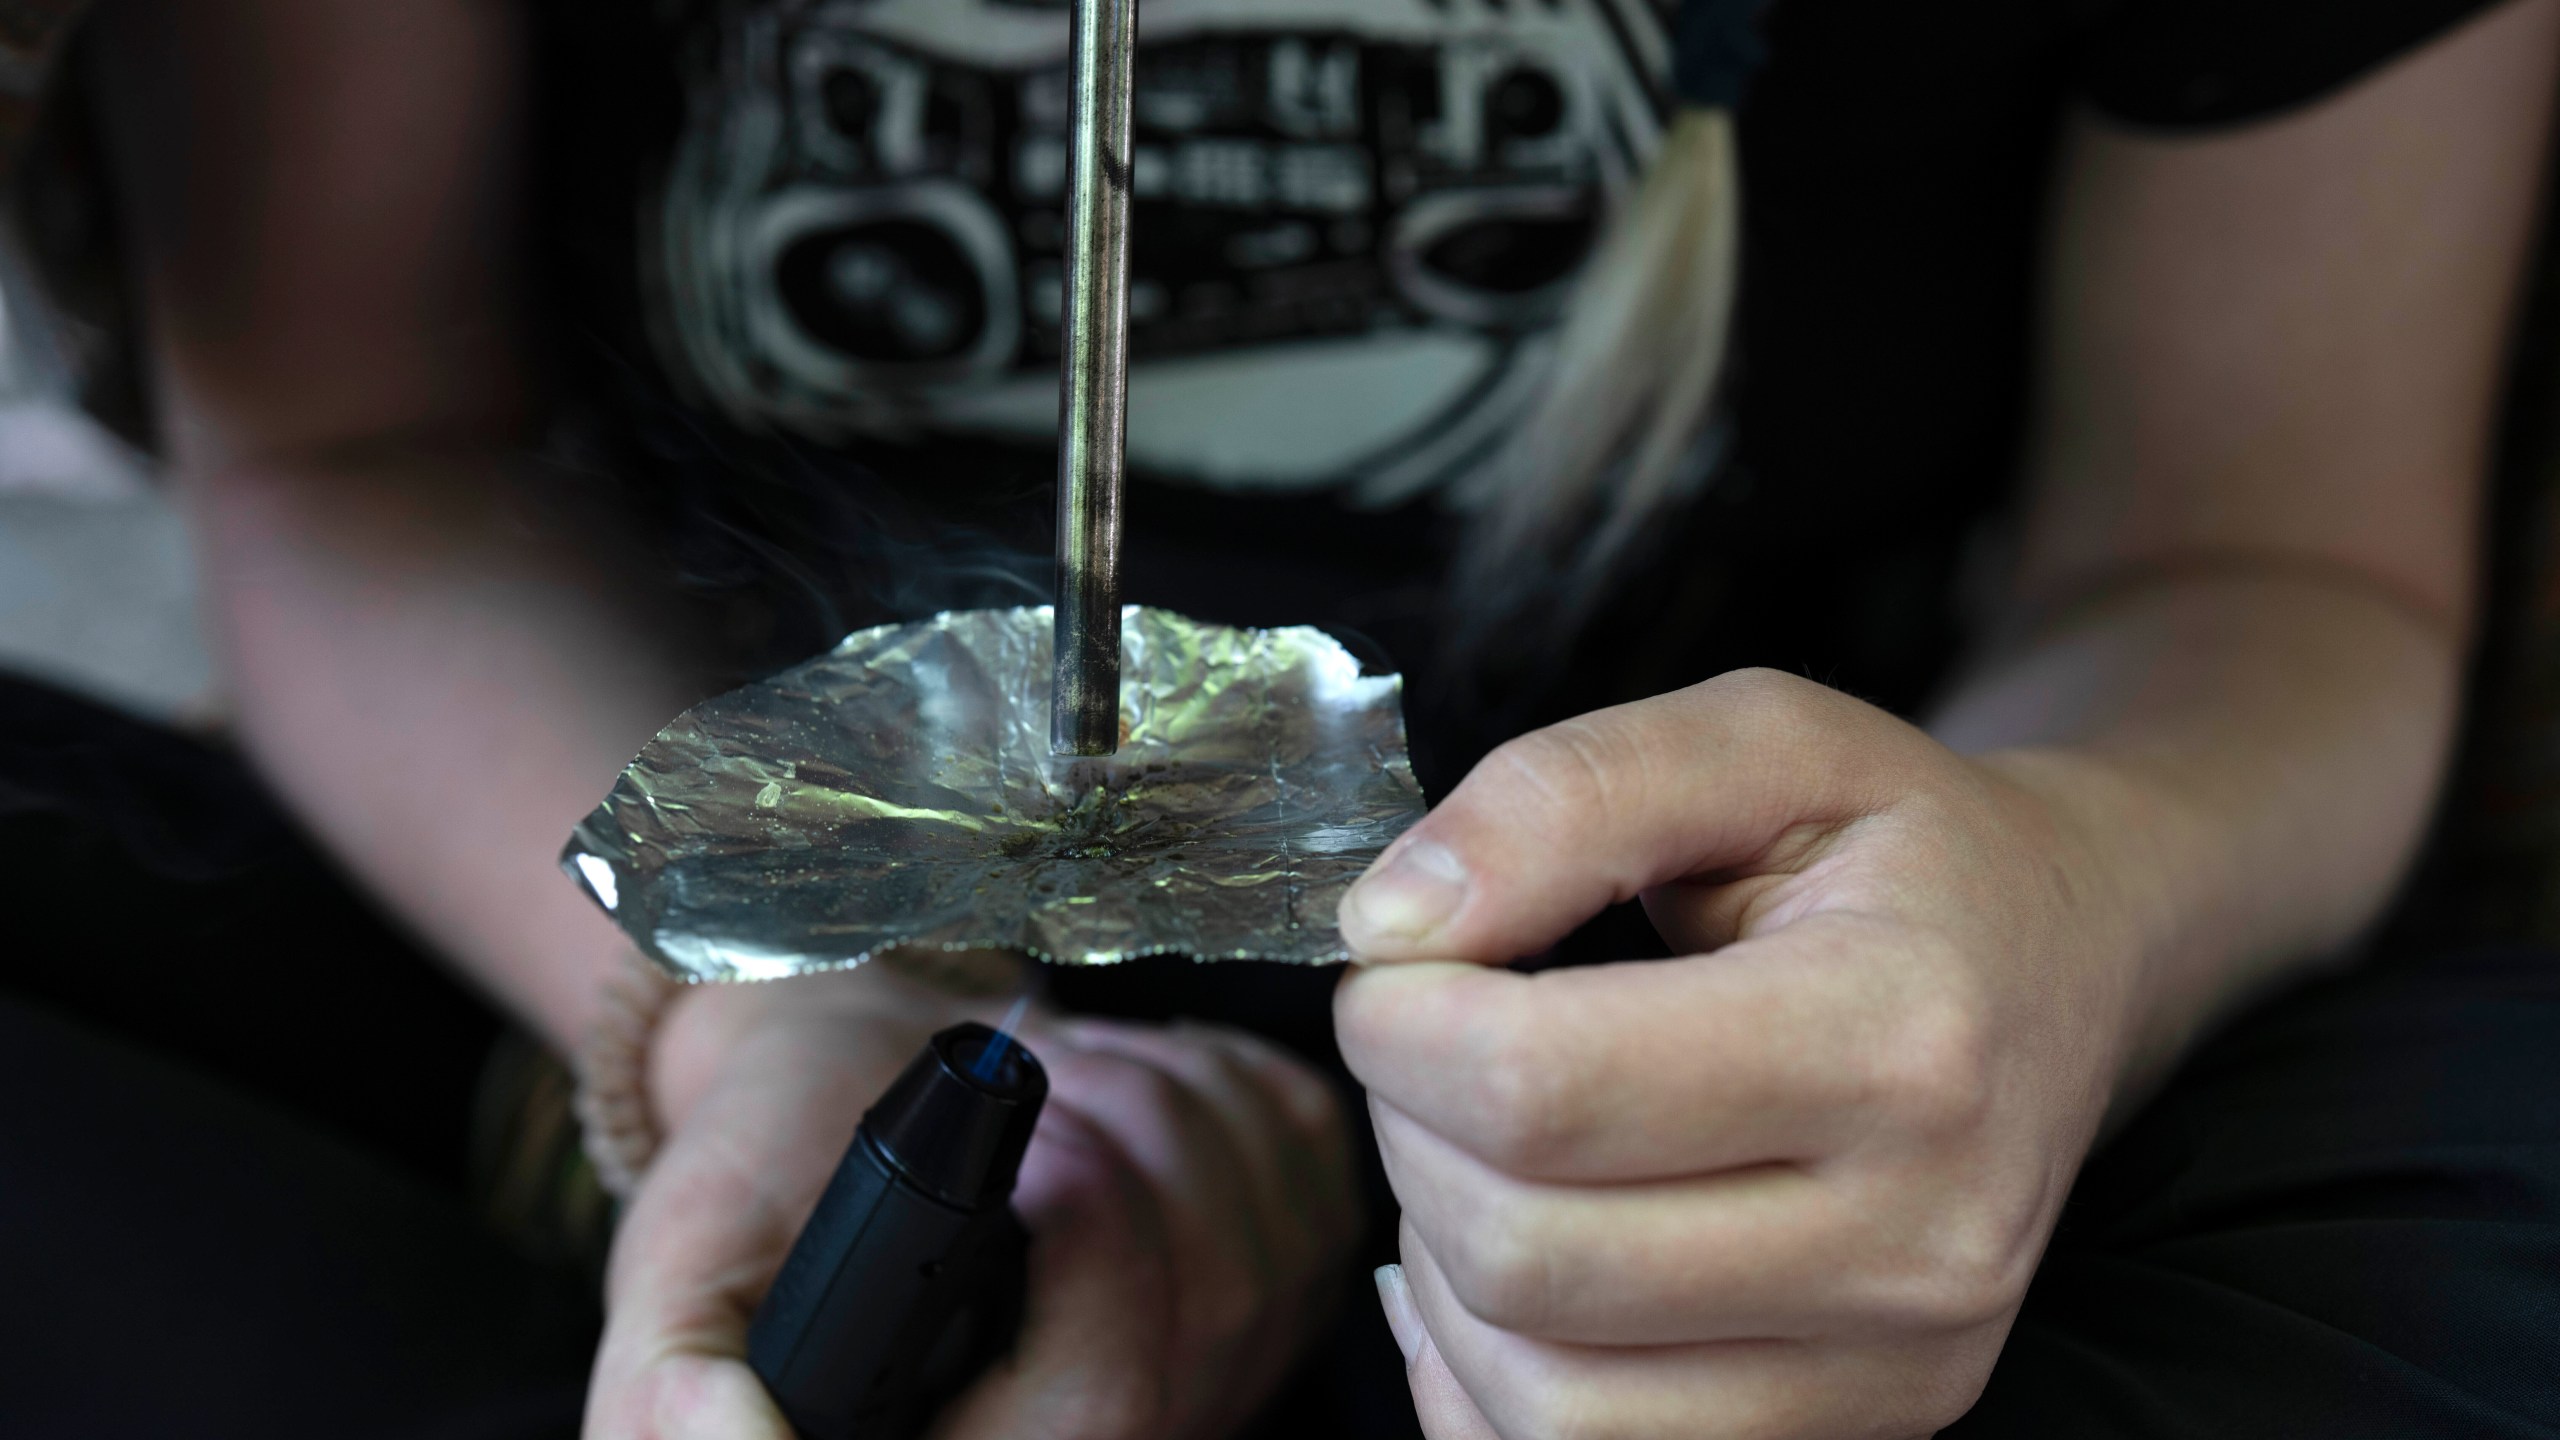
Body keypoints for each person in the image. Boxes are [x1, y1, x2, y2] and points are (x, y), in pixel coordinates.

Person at [11, 0, 2560, 1435]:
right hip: (646, 901)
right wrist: (765, 1023)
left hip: (1855, 1079)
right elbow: (353, 442)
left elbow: (2260, 563)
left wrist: (2055, 930)